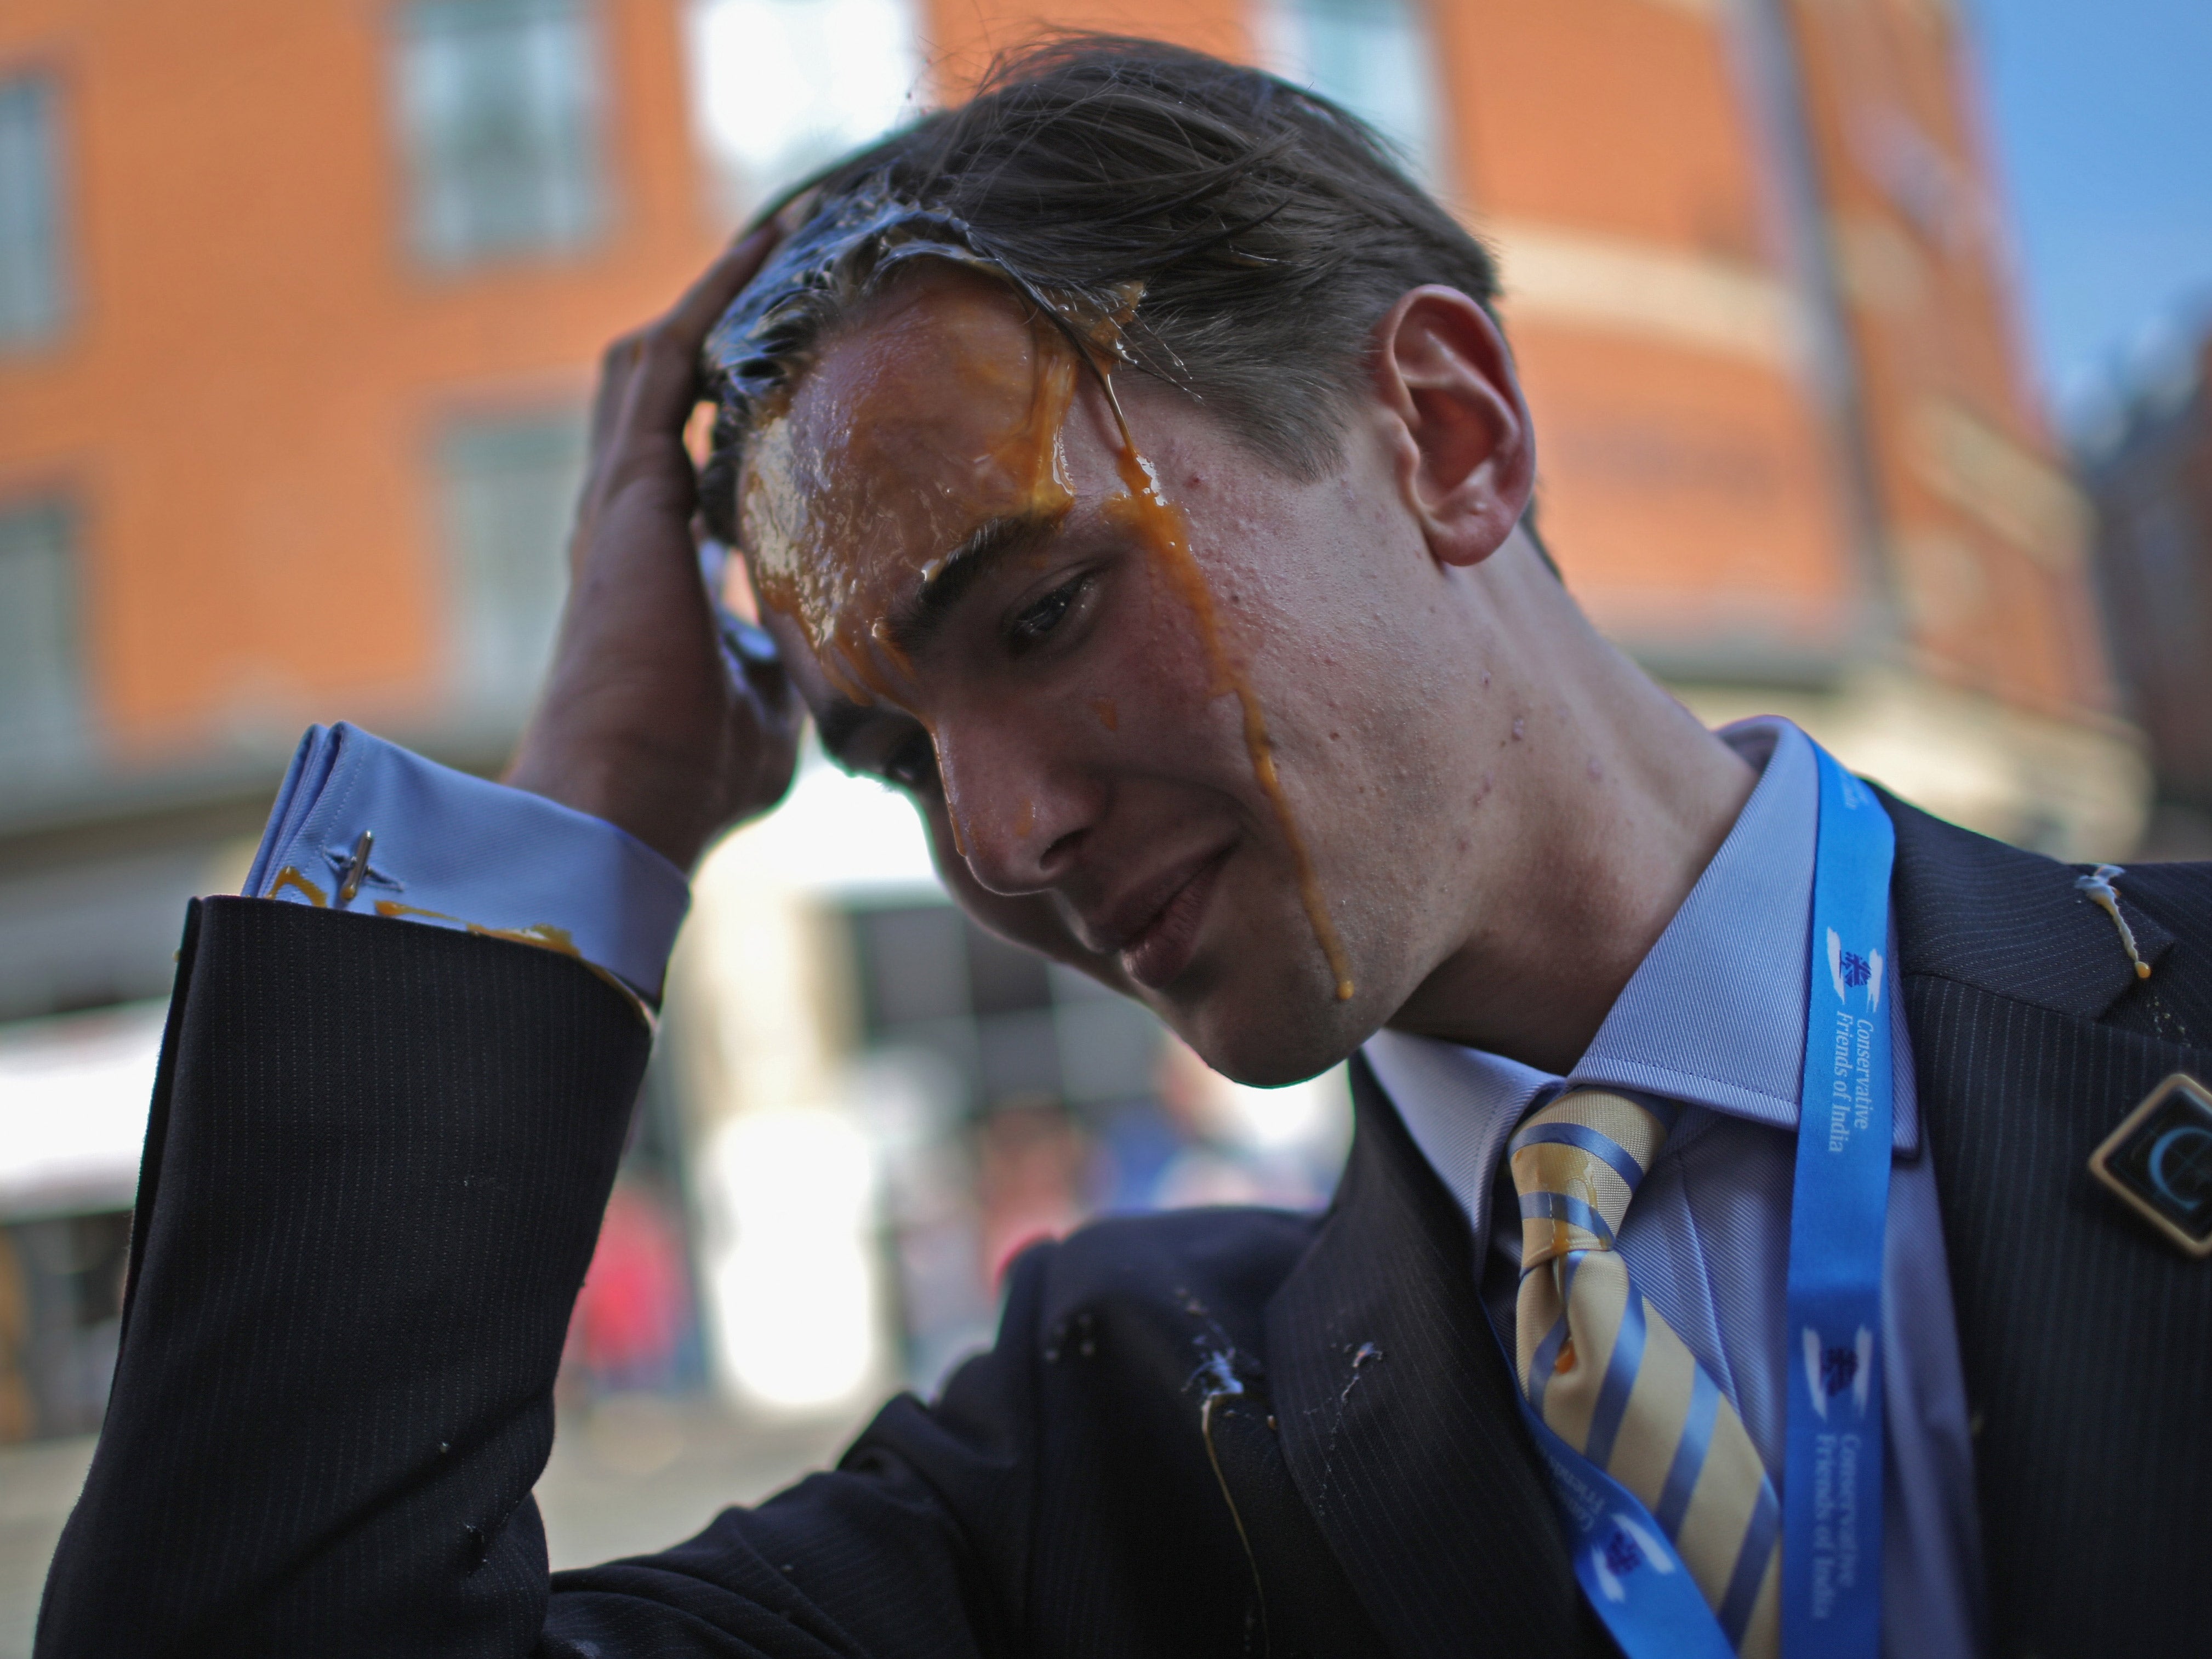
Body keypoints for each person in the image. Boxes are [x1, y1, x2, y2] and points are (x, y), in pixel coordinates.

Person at [36, 37, 2212, 1659]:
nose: (998, 832)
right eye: (889, 752)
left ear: (1444, 436)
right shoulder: (1112, 1450)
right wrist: (590, 787)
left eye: (1049, 611)